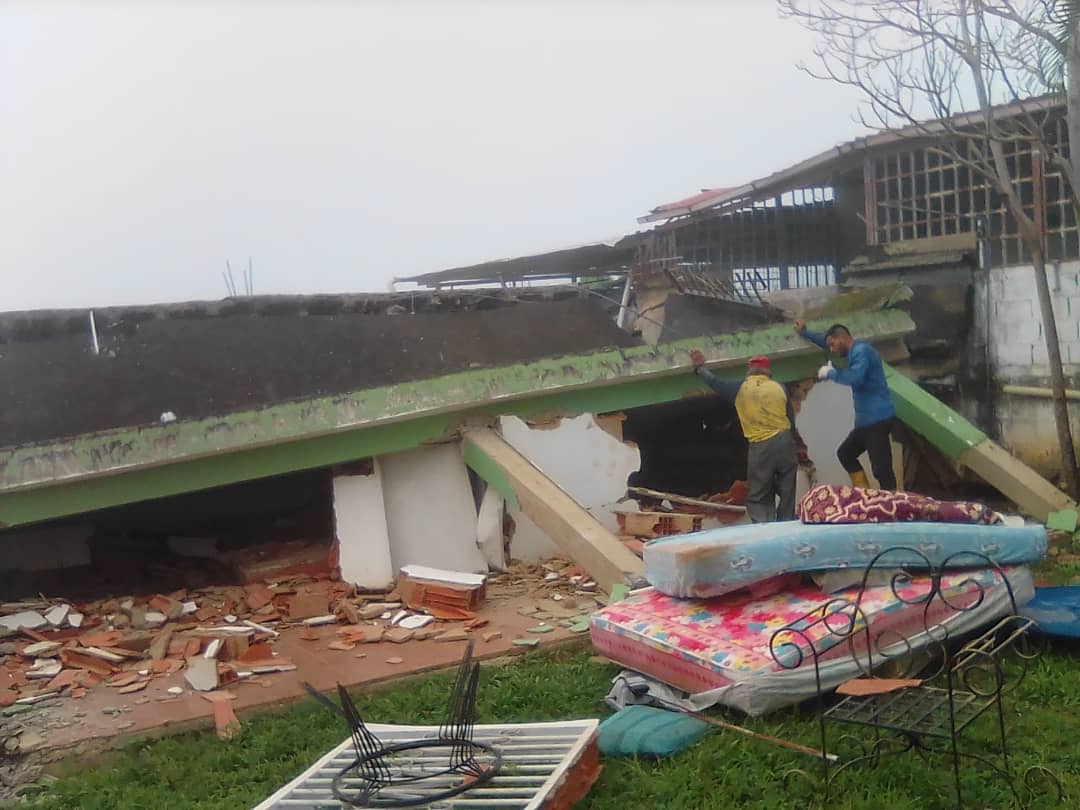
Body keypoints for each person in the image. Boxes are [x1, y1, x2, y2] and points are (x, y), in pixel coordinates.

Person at [689, 350, 797, 523]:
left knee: (759, 494)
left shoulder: (740, 388)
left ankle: (764, 529)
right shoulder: (779, 387)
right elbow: (791, 419)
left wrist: (700, 368)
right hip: (785, 442)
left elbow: (714, 382)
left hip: (761, 445)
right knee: (787, 489)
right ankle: (787, 525)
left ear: (749, 372)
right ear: (768, 372)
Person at [794, 320, 897, 490]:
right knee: (846, 453)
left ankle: (894, 506)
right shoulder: (852, 350)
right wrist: (805, 332)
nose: (832, 350)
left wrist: (831, 373)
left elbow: (855, 377)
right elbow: (826, 340)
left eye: (833, 345)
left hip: (877, 419)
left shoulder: (862, 352)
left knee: (881, 469)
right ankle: (865, 493)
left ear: (841, 338)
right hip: (866, 422)